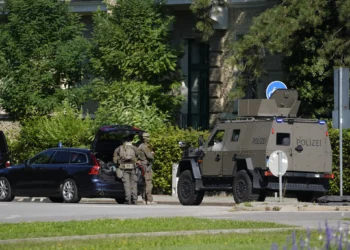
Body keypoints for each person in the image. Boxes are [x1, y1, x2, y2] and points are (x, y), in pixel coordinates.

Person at [113, 135, 140, 205]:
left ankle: (128, 200)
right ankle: (135, 200)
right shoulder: (134, 147)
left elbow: (115, 159)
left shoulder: (119, 148)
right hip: (133, 168)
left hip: (124, 168)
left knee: (127, 185)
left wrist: (119, 161)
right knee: (134, 184)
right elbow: (139, 155)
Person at [138, 132, 156, 205]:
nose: (149, 139)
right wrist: (152, 153)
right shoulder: (144, 147)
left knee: (144, 183)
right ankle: (149, 200)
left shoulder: (140, 146)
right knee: (148, 183)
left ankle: (144, 199)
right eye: (147, 137)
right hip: (146, 166)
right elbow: (150, 156)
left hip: (143, 165)